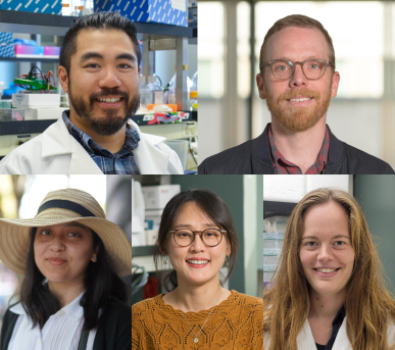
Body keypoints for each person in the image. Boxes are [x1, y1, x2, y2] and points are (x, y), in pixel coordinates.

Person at [199, 14, 394, 175]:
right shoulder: (213, 171)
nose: (298, 79)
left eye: (313, 65)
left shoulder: (380, 173)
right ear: (261, 86)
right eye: (282, 67)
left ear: (334, 84)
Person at [0, 12, 183, 175]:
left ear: (138, 74)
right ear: (64, 78)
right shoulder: (18, 167)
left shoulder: (168, 159)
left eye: (124, 65)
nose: (111, 80)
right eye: (93, 65)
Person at [0, 188, 132, 350]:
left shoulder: (122, 322)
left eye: (73, 234)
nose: (56, 246)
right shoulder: (14, 316)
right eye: (46, 232)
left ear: (95, 250)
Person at [263, 188, 395, 350]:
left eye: (339, 243)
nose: (324, 256)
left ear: (358, 250)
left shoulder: (389, 327)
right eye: (311, 243)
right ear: (295, 252)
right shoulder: (261, 320)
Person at [132, 190, 263, 349]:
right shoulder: (138, 318)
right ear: (164, 245)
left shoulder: (257, 315)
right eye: (184, 234)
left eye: (210, 234)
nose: (197, 247)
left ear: (228, 246)